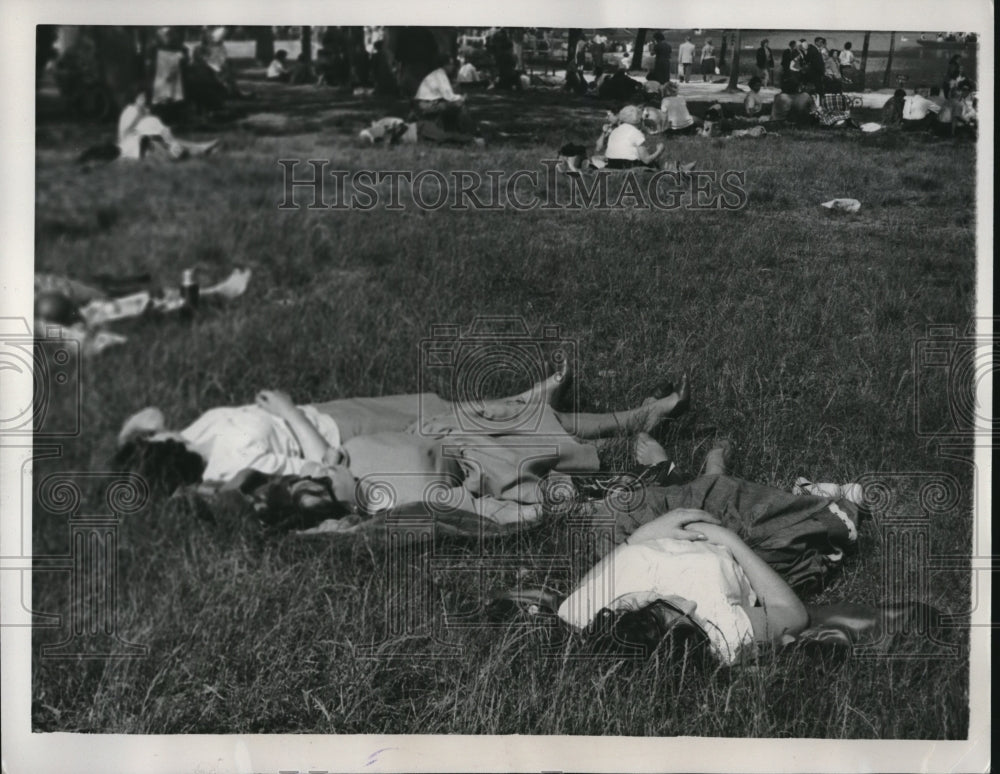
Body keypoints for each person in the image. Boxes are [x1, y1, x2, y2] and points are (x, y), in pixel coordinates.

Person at [115, 368, 691, 525]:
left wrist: (140, 447)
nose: (165, 431)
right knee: (451, 419)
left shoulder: (187, 437)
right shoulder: (234, 468)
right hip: (341, 438)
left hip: (334, 418)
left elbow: (146, 421)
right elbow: (323, 467)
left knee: (443, 409)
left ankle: (523, 401)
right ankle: (561, 411)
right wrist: (287, 409)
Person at [116, 91, 219, 161]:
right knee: (173, 146)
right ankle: (202, 149)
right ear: (134, 98)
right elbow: (126, 133)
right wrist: (140, 115)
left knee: (172, 142)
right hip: (134, 146)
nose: (144, 100)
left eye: (144, 97)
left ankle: (202, 148)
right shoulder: (131, 111)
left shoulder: (136, 110)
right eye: (141, 97)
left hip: (142, 142)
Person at [413, 56, 479, 136]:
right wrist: (462, 98)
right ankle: (471, 132)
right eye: (450, 64)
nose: (452, 67)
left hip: (425, 103)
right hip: (425, 105)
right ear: (445, 65)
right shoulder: (440, 74)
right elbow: (449, 96)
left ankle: (464, 131)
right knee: (459, 105)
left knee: (454, 104)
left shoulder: (437, 73)